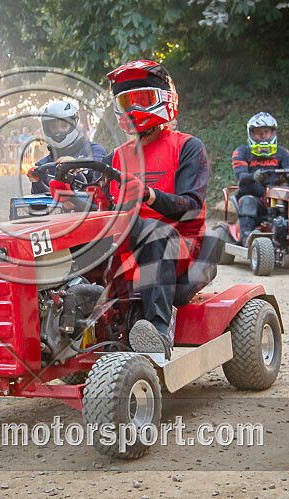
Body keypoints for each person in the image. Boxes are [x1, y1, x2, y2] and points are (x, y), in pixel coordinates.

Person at [50, 60, 208, 359]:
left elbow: (191, 207)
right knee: (71, 235)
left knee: (154, 233)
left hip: (181, 243)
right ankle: (66, 320)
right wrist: (73, 200)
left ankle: (157, 332)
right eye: (126, 101)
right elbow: (105, 211)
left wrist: (148, 195)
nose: (134, 108)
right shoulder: (116, 157)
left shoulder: (188, 146)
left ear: (164, 100)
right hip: (130, 237)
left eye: (143, 99)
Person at [231, 112, 289, 245]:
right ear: (251, 134)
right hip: (252, 197)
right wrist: (254, 176)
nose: (263, 136)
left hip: (275, 199)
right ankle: (247, 237)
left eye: (266, 132)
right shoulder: (242, 152)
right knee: (248, 201)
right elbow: (241, 177)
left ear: (273, 133)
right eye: (258, 133)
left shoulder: (282, 153)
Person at [28, 99, 107, 194]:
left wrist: (76, 164)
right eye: (53, 128)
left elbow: (98, 172)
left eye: (64, 126)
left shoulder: (94, 150)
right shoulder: (42, 165)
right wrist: (37, 180)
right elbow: (38, 202)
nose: (59, 131)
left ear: (75, 124)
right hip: (57, 207)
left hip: (92, 206)